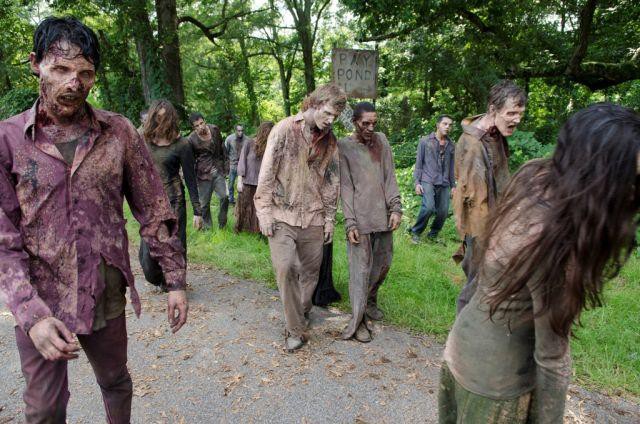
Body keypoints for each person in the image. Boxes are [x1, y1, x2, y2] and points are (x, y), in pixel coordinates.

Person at [0, 17, 188, 423]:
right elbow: (3, 240)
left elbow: (154, 208)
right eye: (61, 69)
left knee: (115, 381)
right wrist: (30, 314)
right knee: (44, 408)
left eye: (85, 73)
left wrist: (175, 280)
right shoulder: (8, 140)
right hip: (40, 296)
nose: (74, 83)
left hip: (102, 289)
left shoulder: (118, 133)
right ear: (35, 64)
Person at [439, 103, 640, 423]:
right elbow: (552, 360)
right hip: (495, 386)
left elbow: (484, 273)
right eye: (632, 178)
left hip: (460, 349)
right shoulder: (557, 242)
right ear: (602, 176)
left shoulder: (535, 175)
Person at [254, 83, 346, 352]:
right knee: (285, 269)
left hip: (314, 217)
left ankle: (301, 311)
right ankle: (294, 329)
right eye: (327, 113)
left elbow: (332, 182)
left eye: (335, 117)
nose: (330, 121)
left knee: (310, 273)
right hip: (281, 213)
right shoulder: (284, 129)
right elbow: (267, 172)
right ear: (314, 104)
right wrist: (264, 212)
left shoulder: (330, 141)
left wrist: (330, 219)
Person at [453, 80, 526, 313]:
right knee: (477, 282)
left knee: (492, 281)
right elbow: (476, 204)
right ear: (493, 109)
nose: (517, 119)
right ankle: (461, 331)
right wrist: (493, 236)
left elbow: (501, 180)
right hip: (481, 226)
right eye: (511, 113)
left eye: (520, 113)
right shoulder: (473, 145)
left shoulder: (495, 133)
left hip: (496, 219)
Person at [338, 102, 402, 342]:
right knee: (360, 272)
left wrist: (395, 207)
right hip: (360, 218)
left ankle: (370, 301)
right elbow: (345, 187)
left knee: (383, 265)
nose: (370, 128)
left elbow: (389, 176)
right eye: (365, 123)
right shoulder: (344, 146)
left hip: (382, 215)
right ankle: (359, 321)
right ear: (355, 121)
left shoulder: (381, 141)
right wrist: (350, 222)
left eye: (374, 123)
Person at [138, 99, 203, 289]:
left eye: (164, 119)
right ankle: (158, 278)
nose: (161, 123)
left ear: (171, 119)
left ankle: (174, 283)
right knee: (148, 258)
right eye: (157, 118)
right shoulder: (142, 139)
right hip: (150, 203)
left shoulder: (182, 144)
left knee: (175, 245)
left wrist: (197, 211)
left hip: (174, 202)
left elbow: (190, 179)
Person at [408, 114, 455, 244]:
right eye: (445, 124)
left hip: (444, 182)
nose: (447, 127)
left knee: (443, 211)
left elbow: (451, 167)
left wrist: (453, 186)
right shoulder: (425, 141)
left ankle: (433, 234)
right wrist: (417, 183)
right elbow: (419, 164)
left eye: (450, 125)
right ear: (438, 125)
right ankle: (416, 232)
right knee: (428, 207)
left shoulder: (451, 145)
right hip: (428, 179)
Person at [188, 112, 229, 229]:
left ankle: (222, 224)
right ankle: (207, 227)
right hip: (203, 175)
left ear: (204, 121)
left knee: (224, 196)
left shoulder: (214, 129)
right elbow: (191, 160)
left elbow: (223, 149)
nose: (200, 127)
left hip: (218, 170)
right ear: (193, 127)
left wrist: (225, 168)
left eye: (201, 123)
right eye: (197, 125)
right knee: (204, 204)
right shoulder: (191, 139)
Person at [235, 121, 273, 234]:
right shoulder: (249, 143)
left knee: (257, 207)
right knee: (243, 206)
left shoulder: (270, 146)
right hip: (247, 181)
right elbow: (242, 161)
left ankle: (256, 231)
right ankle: (239, 229)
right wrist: (239, 180)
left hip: (261, 183)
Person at [225, 124, 247, 204]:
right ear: (235, 131)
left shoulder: (247, 140)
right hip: (233, 165)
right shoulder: (229, 139)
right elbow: (226, 152)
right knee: (231, 183)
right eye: (239, 131)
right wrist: (227, 164)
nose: (240, 132)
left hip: (243, 165)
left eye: (242, 131)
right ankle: (231, 199)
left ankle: (241, 200)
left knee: (242, 184)